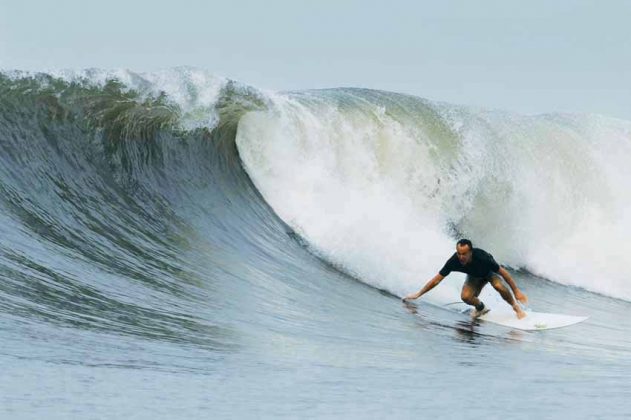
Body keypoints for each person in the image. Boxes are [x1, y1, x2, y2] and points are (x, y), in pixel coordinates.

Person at [402, 239, 528, 319]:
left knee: (498, 286)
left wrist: (516, 291)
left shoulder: (483, 258)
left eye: (464, 254)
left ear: (470, 253)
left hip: (488, 273)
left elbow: (504, 273)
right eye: (459, 253)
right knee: (466, 297)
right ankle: (481, 308)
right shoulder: (453, 261)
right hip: (474, 276)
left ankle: (515, 307)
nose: (461, 257)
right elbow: (437, 280)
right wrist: (418, 294)